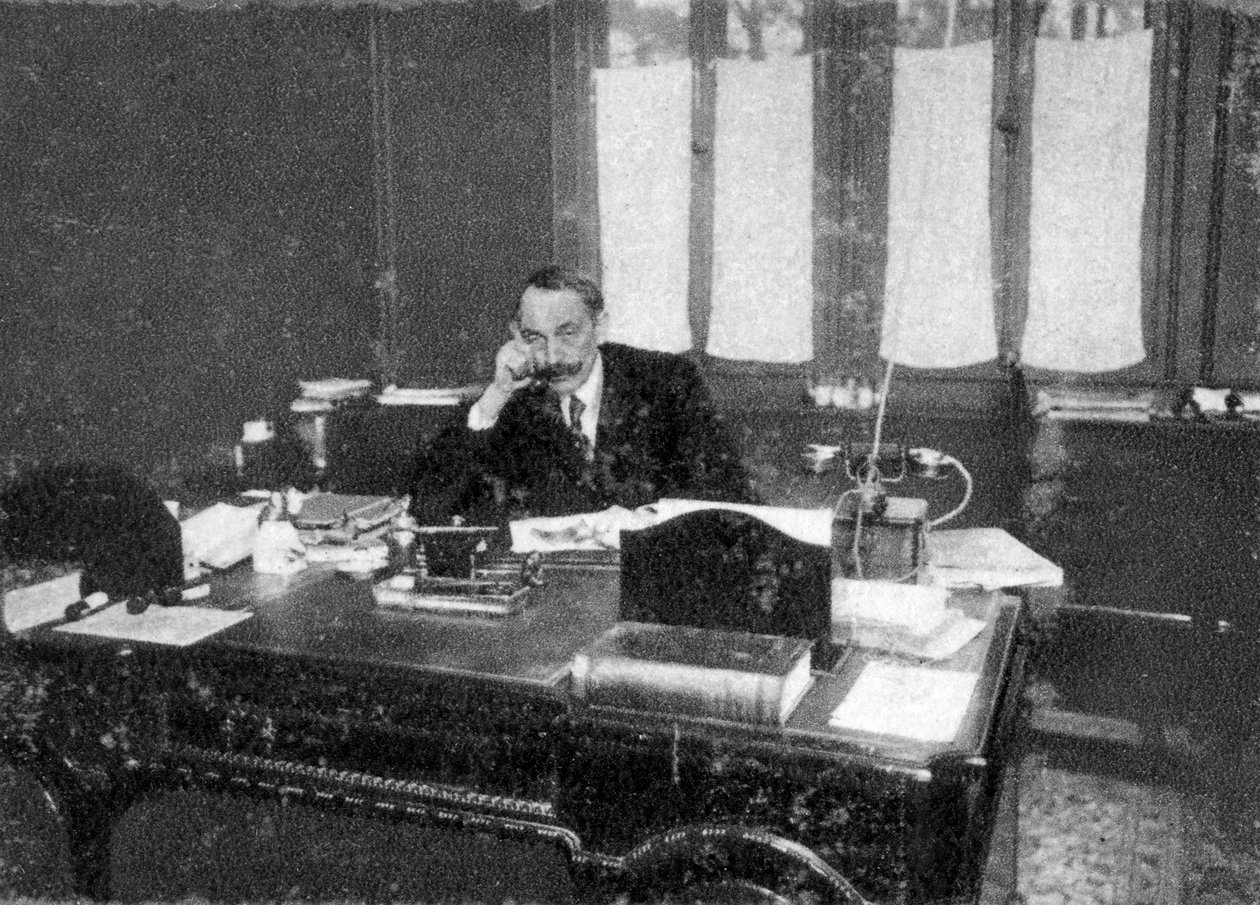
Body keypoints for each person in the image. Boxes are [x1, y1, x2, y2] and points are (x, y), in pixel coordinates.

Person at [409, 266, 755, 525]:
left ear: (600, 327)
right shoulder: (512, 399)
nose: (552, 356)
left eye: (567, 333)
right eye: (534, 337)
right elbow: (429, 505)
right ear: (516, 334)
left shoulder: (668, 381)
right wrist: (494, 398)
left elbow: (729, 495)